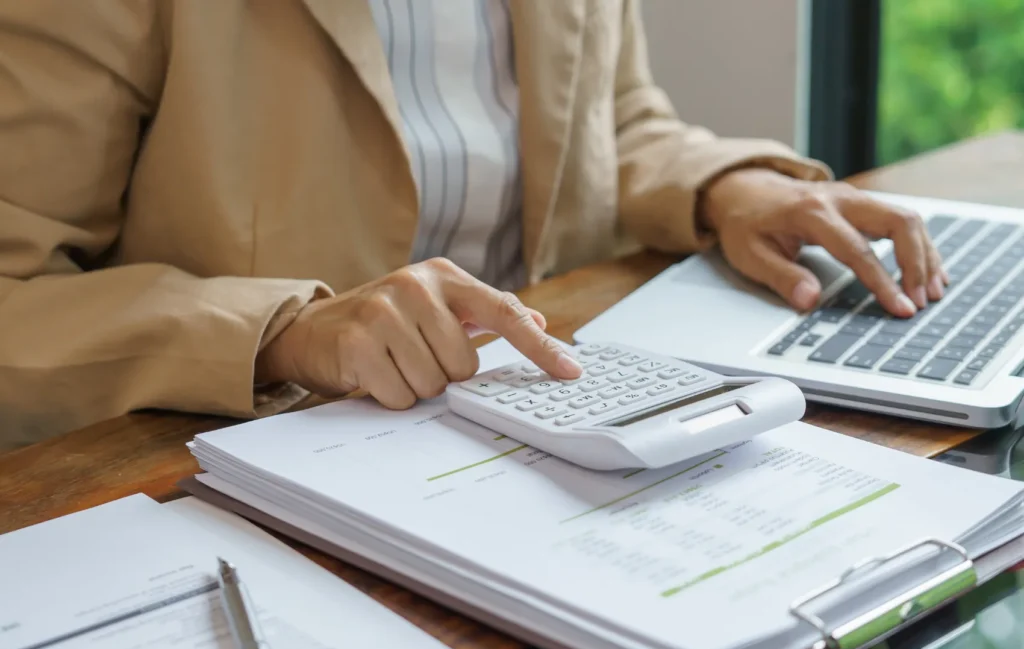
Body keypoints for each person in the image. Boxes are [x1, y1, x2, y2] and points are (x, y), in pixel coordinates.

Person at [0, 0, 945, 450]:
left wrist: (727, 187)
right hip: (256, 451)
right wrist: (282, 332)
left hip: (557, 420)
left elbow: (615, 121)